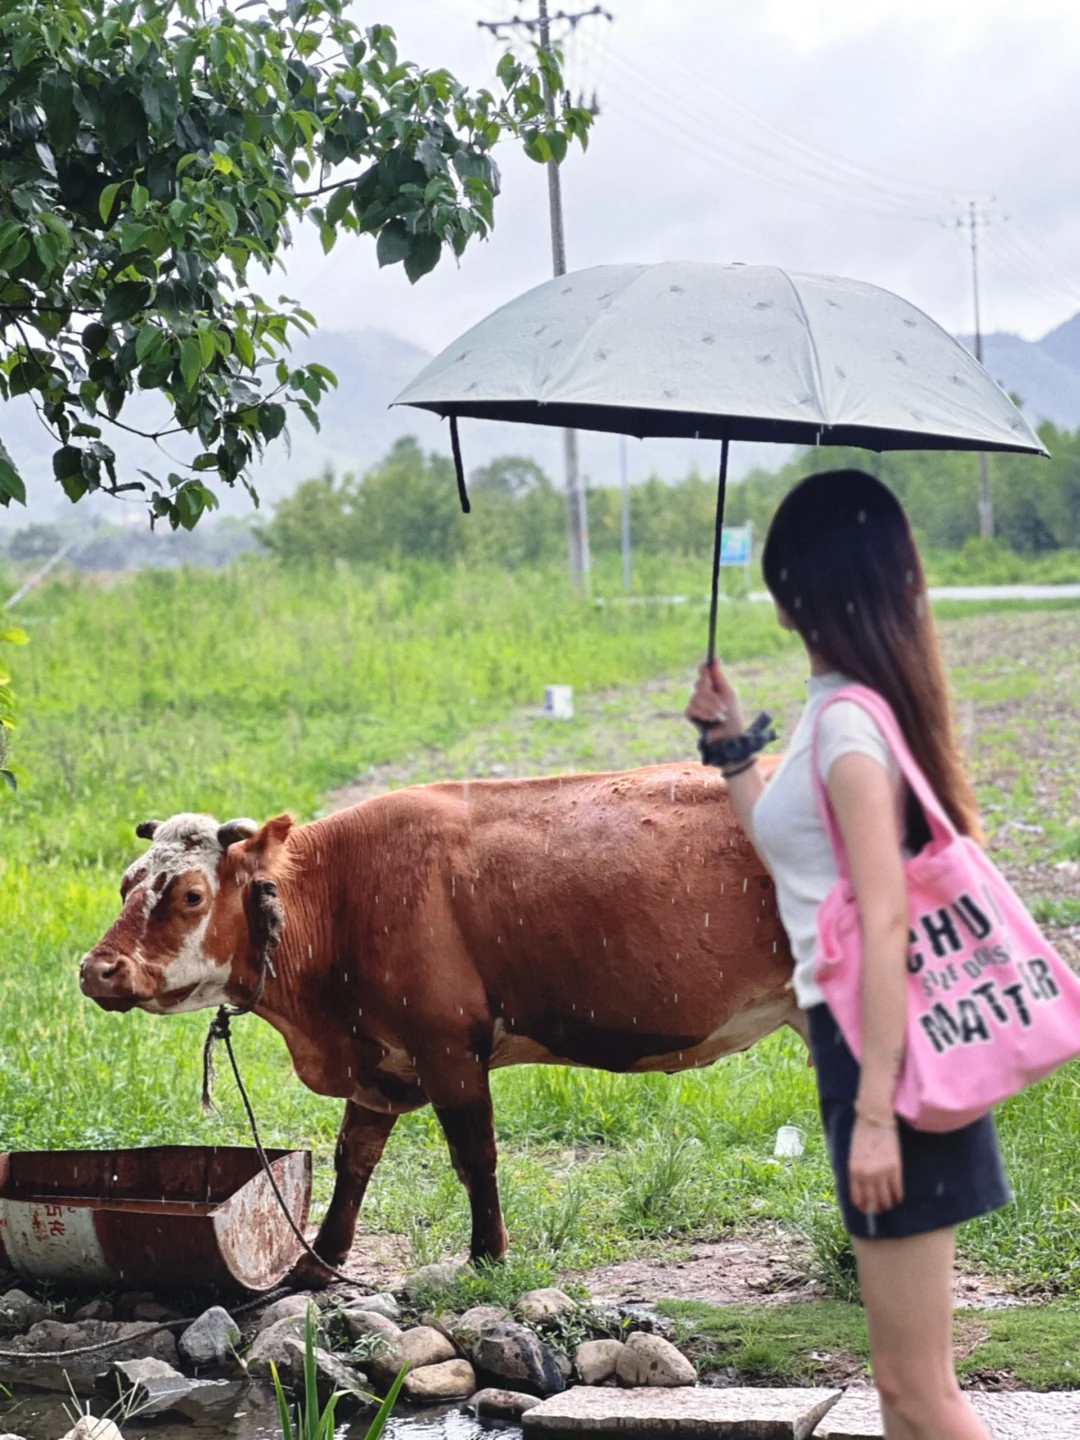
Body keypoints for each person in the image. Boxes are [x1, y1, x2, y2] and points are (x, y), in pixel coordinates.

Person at [687, 470, 1009, 1440]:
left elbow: (884, 922)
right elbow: (803, 861)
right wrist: (733, 748)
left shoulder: (852, 729)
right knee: (904, 1390)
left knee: (920, 1393)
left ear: (795, 593)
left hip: (888, 1063)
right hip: (867, 1051)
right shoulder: (843, 711)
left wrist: (876, 1116)